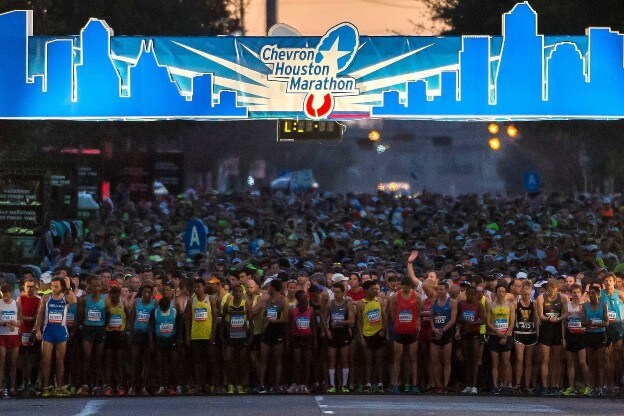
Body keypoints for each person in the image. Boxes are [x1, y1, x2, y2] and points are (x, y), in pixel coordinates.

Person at [34, 275, 77, 397]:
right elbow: (40, 314)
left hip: (61, 333)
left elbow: (74, 300)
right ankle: (46, 387)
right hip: (48, 332)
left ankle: (59, 387)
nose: (54, 288)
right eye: (52, 286)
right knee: (46, 361)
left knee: (60, 361)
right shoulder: (46, 297)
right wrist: (37, 329)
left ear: (61, 287)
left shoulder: (65, 297)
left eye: (56, 286)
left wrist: (68, 288)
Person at [388, 275, 421, 394]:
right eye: (404, 287)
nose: (406, 290)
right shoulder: (395, 297)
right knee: (397, 358)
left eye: (408, 288)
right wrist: (399, 324)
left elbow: (418, 313)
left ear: (411, 287)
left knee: (413, 359)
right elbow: (392, 314)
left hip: (411, 331)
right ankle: (395, 384)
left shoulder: (416, 296)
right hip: (399, 331)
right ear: (401, 286)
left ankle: (413, 384)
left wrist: (414, 326)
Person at [186, 278, 218, 395]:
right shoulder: (191, 301)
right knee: (197, 362)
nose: (197, 289)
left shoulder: (211, 299)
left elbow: (215, 318)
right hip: (195, 336)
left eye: (199, 287)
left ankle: (209, 385)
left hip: (207, 335)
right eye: (195, 287)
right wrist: (188, 335)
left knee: (210, 361)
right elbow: (188, 319)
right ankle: (198, 385)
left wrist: (213, 334)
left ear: (204, 287)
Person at [537, 279, 568, 396]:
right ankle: (545, 386)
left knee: (556, 359)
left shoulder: (563, 298)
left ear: (557, 288)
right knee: (545, 359)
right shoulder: (541, 298)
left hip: (557, 330)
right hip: (546, 330)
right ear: (547, 288)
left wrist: (558, 319)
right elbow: (540, 315)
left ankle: (554, 385)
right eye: (550, 289)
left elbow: (566, 313)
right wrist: (549, 318)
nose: (552, 292)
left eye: (554, 289)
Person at [256, 278, 288, 394]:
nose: (268, 289)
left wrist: (274, 321)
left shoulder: (283, 300)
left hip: (277, 331)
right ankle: (261, 384)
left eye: (269, 287)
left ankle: (277, 384)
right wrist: (265, 323)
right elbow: (263, 314)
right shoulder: (266, 300)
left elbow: (285, 319)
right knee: (263, 358)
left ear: (274, 288)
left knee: (277, 359)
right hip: (266, 331)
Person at [77, 277, 107, 396]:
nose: (96, 288)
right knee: (87, 357)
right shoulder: (84, 300)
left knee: (98, 358)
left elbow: (109, 315)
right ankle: (85, 383)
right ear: (89, 287)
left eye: (98, 285)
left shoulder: (105, 300)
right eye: (94, 285)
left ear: (101, 287)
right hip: (88, 329)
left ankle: (96, 384)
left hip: (100, 330)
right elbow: (80, 316)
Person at [322, 282, 354, 393]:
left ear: (343, 292)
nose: (336, 294)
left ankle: (344, 385)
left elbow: (351, 321)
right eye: (334, 292)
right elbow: (324, 318)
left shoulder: (347, 303)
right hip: (333, 334)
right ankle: (332, 385)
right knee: (332, 359)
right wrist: (327, 331)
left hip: (343, 333)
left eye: (338, 292)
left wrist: (341, 322)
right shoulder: (330, 304)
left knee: (345, 359)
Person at [151, 281, 181, 396]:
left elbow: (179, 326)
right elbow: (151, 327)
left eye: (168, 290)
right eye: (164, 290)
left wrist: (178, 339)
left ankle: (175, 385)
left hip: (172, 341)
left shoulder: (175, 308)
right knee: (160, 364)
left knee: (174, 363)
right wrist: (152, 341)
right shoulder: (156, 309)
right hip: (159, 341)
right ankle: (162, 385)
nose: (166, 292)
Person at [357, 279, 386, 393]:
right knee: (368, 361)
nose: (375, 291)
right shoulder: (361, 303)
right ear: (365, 290)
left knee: (379, 360)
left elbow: (385, 317)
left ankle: (380, 384)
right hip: (367, 334)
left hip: (378, 333)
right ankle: (368, 384)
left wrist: (384, 330)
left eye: (375, 289)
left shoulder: (380, 301)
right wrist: (361, 337)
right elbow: (359, 322)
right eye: (372, 289)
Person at [221, 284, 252, 394]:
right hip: (230, 337)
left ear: (242, 293)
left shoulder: (246, 304)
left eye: (240, 292)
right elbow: (223, 321)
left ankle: (239, 384)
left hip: (242, 336)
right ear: (232, 293)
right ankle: (230, 384)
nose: (238, 294)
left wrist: (250, 338)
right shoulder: (227, 305)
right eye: (236, 291)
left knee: (241, 361)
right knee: (228, 360)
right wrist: (221, 335)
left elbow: (250, 321)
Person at [487, 282, 516, 395]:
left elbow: (512, 322)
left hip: (506, 336)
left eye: (503, 291)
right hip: (494, 336)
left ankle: (505, 384)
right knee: (495, 363)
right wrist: (496, 333)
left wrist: (506, 335)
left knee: (506, 362)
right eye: (499, 291)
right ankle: (495, 385)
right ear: (496, 292)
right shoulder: (491, 305)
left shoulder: (510, 305)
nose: (501, 293)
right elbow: (488, 322)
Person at [128, 284, 156, 396]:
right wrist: (130, 334)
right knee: (135, 361)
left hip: (148, 335)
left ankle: (145, 386)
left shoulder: (155, 304)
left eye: (149, 292)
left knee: (147, 361)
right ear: (141, 293)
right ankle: (134, 386)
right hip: (137, 334)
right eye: (145, 292)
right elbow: (132, 318)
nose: (147, 294)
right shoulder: (136, 302)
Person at [456, 285, 485, 394]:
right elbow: (458, 318)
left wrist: (472, 323)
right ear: (466, 294)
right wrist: (459, 330)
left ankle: (474, 385)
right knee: (466, 359)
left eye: (473, 294)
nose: (471, 296)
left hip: (475, 334)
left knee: (475, 360)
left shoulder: (478, 304)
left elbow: (483, 320)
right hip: (464, 334)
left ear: (475, 295)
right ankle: (468, 384)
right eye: (469, 294)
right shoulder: (461, 304)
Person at [562, 283, 590, 396]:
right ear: (571, 294)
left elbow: (587, 321)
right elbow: (564, 323)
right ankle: (571, 387)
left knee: (582, 362)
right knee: (570, 362)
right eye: (574, 293)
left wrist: (581, 313)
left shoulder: (584, 305)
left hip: (581, 335)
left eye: (578, 292)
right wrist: (563, 338)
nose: (577, 295)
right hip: (570, 335)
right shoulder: (567, 305)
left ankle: (587, 386)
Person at [430, 281, 457, 394]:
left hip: (446, 333)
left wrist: (443, 330)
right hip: (435, 332)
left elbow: (453, 319)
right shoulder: (433, 301)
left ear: (446, 290)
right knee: (435, 360)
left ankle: (445, 384)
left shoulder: (452, 302)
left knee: (446, 360)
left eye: (442, 290)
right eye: (438, 290)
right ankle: (438, 384)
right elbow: (431, 317)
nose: (440, 292)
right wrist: (434, 329)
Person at [288, 290, 316, 394]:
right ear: (298, 299)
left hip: (307, 338)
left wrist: (315, 340)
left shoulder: (311, 310)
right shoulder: (293, 310)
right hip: (296, 338)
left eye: (306, 297)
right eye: (303, 297)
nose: (305, 299)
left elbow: (313, 326)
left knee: (307, 362)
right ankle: (296, 383)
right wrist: (289, 340)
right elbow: (289, 326)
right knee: (297, 362)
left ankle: (304, 384)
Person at [513, 280, 538, 394]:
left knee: (529, 361)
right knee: (519, 359)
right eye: (524, 294)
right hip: (519, 333)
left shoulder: (534, 303)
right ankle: (518, 384)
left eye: (528, 294)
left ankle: (527, 385)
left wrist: (538, 333)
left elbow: (536, 319)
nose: (526, 296)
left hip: (530, 334)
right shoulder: (516, 302)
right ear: (521, 293)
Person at [600, 273, 624, 391]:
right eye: (606, 280)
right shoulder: (601, 294)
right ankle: (608, 384)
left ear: (614, 282)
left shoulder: (619, 293)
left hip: (617, 325)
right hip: (605, 326)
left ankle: (618, 383)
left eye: (610, 280)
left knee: (617, 355)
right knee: (606, 356)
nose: (608, 282)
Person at [16, 278, 40, 395]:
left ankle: (32, 383)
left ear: (36, 288)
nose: (30, 289)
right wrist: (30, 318)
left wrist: (32, 321)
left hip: (33, 332)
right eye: (28, 286)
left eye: (32, 286)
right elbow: (20, 315)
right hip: (21, 332)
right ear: (24, 287)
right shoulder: (20, 298)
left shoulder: (39, 299)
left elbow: (38, 315)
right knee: (20, 359)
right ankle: (19, 383)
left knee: (33, 359)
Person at [583, 285, 609, 396]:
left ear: (598, 295)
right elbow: (582, 321)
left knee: (601, 362)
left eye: (594, 293)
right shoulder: (585, 306)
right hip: (589, 335)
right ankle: (592, 387)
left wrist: (597, 323)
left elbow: (607, 322)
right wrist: (588, 322)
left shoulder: (603, 305)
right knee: (591, 362)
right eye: (590, 293)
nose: (592, 296)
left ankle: (601, 387)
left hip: (600, 335)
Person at [104, 285, 127, 396]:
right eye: (113, 293)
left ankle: (120, 385)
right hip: (109, 334)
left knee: (120, 361)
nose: (115, 295)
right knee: (109, 361)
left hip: (120, 335)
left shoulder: (123, 303)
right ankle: (109, 385)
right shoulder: (106, 303)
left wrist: (125, 331)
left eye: (117, 293)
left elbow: (128, 316)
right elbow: (105, 318)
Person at [0, 283, 21, 396]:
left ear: (11, 293)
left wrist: (15, 324)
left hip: (13, 336)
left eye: (7, 294)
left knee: (13, 363)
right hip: (2, 335)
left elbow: (21, 321)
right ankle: (1, 387)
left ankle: (12, 387)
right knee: (1, 361)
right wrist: (4, 323)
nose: (5, 297)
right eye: (3, 294)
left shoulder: (16, 304)